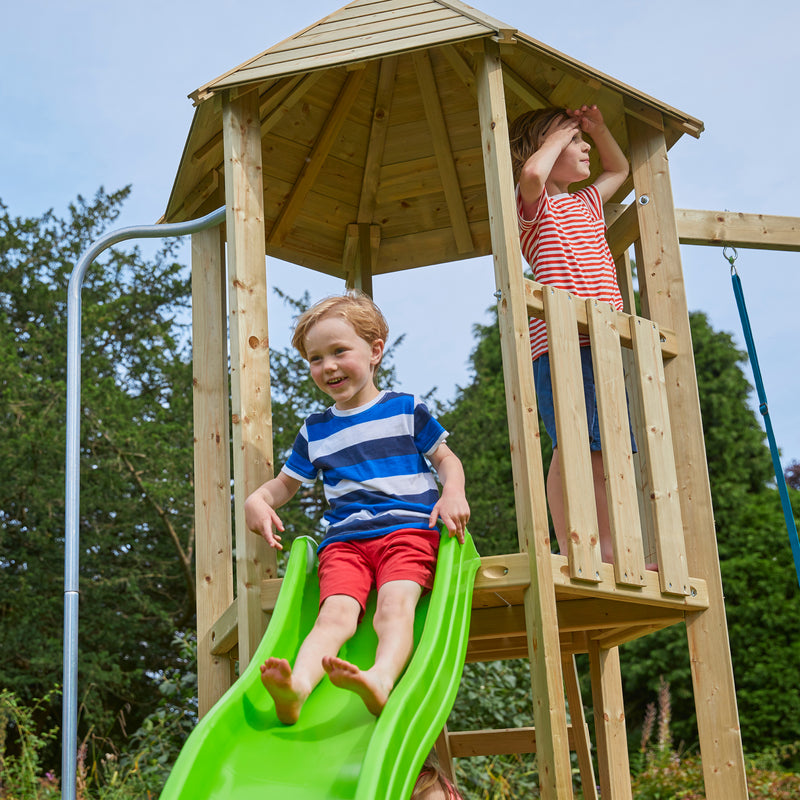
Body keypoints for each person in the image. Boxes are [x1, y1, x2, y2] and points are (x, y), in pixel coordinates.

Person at [244, 292, 470, 724]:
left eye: (338, 351)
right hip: (345, 543)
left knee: (394, 603)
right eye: (315, 358)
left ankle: (381, 679)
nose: (327, 366)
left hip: (407, 532)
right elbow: (284, 485)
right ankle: (298, 688)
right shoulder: (315, 430)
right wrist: (258, 498)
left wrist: (452, 492)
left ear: (375, 352)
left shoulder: (405, 409)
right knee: (334, 615)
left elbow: (446, 459)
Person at [508, 104, 631, 564]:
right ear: (546, 146)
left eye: (581, 142)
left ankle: (606, 546)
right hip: (560, 345)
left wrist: (596, 130)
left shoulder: (586, 203)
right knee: (572, 443)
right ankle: (582, 545)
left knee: (599, 447)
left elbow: (619, 167)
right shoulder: (533, 208)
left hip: (601, 341)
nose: (583, 150)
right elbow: (535, 174)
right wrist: (556, 137)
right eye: (572, 142)